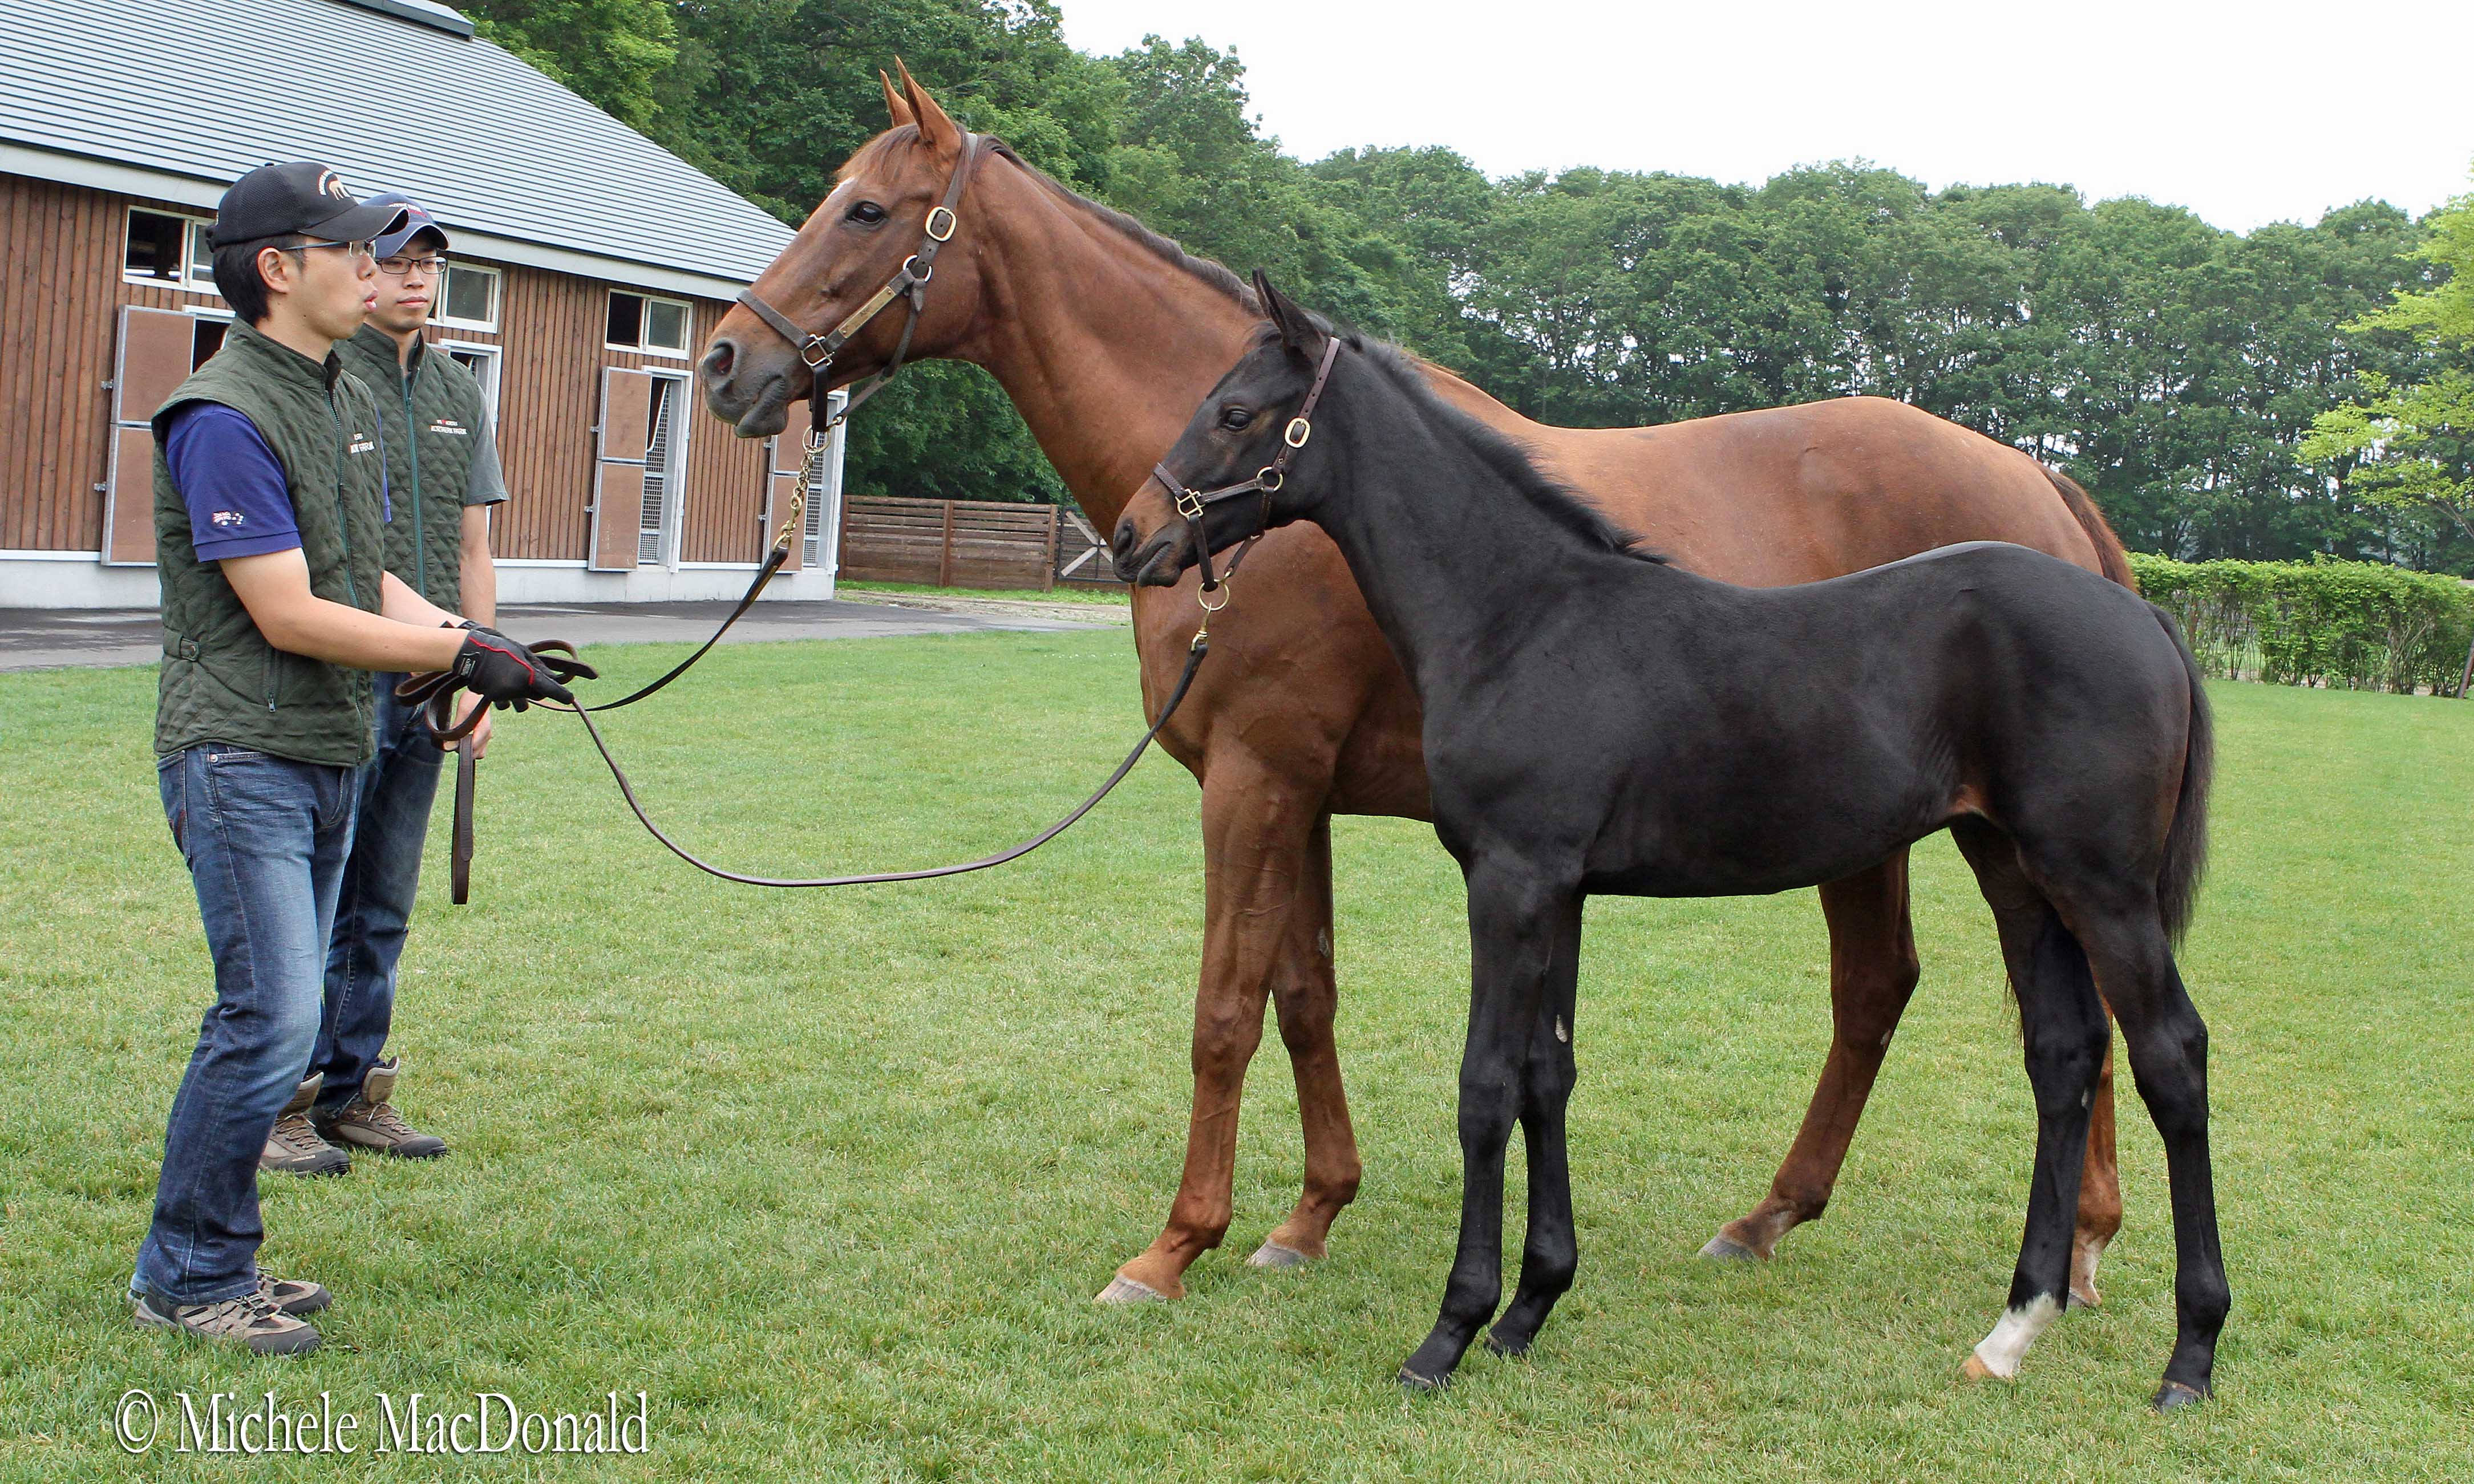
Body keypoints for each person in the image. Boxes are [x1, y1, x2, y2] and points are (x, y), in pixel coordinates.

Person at [133, 161, 585, 1355]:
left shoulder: (328, 397)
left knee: (278, 1013)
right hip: (242, 754)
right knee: (272, 1016)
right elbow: (287, 610)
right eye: (348, 249)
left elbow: (356, 573)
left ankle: (216, 1256)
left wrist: (478, 645)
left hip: (323, 743)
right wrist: (454, 651)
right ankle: (186, 1272)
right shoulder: (224, 415)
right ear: (279, 270)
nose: (373, 269)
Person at [258, 194, 507, 1175]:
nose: (412, 279)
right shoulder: (327, 374)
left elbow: (473, 543)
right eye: (396, 261)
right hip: (342, 671)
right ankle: (282, 1097)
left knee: (384, 896)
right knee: (317, 895)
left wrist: (481, 666)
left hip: (433, 674)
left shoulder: (457, 386)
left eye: (428, 265)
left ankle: (353, 1089)